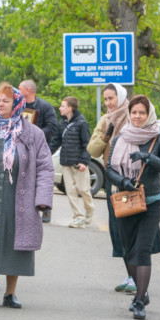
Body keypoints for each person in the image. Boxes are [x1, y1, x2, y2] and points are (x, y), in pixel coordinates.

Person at [0, 81, 54, 310]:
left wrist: (43, 198)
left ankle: (10, 293)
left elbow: (45, 167)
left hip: (19, 197)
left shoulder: (33, 133)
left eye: (5, 101)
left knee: (13, 243)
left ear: (17, 104)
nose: (0, 105)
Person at [104, 95, 160, 320]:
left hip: (152, 203)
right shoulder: (120, 139)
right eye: (134, 112)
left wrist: (148, 157)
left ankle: (138, 301)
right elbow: (108, 169)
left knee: (143, 250)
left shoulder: (158, 139)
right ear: (130, 114)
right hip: (126, 202)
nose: (137, 116)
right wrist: (123, 182)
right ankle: (142, 293)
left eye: (142, 113)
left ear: (149, 115)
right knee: (129, 250)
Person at [87, 82, 141, 294]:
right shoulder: (105, 120)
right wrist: (106, 135)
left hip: (134, 181)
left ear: (121, 97)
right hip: (113, 180)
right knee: (119, 229)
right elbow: (92, 149)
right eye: (106, 99)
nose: (108, 103)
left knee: (133, 227)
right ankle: (131, 275)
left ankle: (137, 276)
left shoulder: (134, 116)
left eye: (112, 98)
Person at [18, 80, 63, 222]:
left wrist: (34, 135)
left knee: (42, 180)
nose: (18, 91)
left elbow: (52, 127)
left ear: (27, 91)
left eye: (20, 89)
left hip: (39, 149)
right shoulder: (18, 105)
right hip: (20, 148)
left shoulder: (45, 107)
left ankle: (46, 209)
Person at [59, 96, 95, 228]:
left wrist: (84, 162)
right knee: (70, 191)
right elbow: (56, 142)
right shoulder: (62, 123)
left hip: (79, 164)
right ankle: (78, 217)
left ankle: (90, 209)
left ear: (69, 108)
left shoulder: (82, 123)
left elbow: (88, 144)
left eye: (62, 106)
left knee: (83, 189)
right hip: (66, 162)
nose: (60, 108)